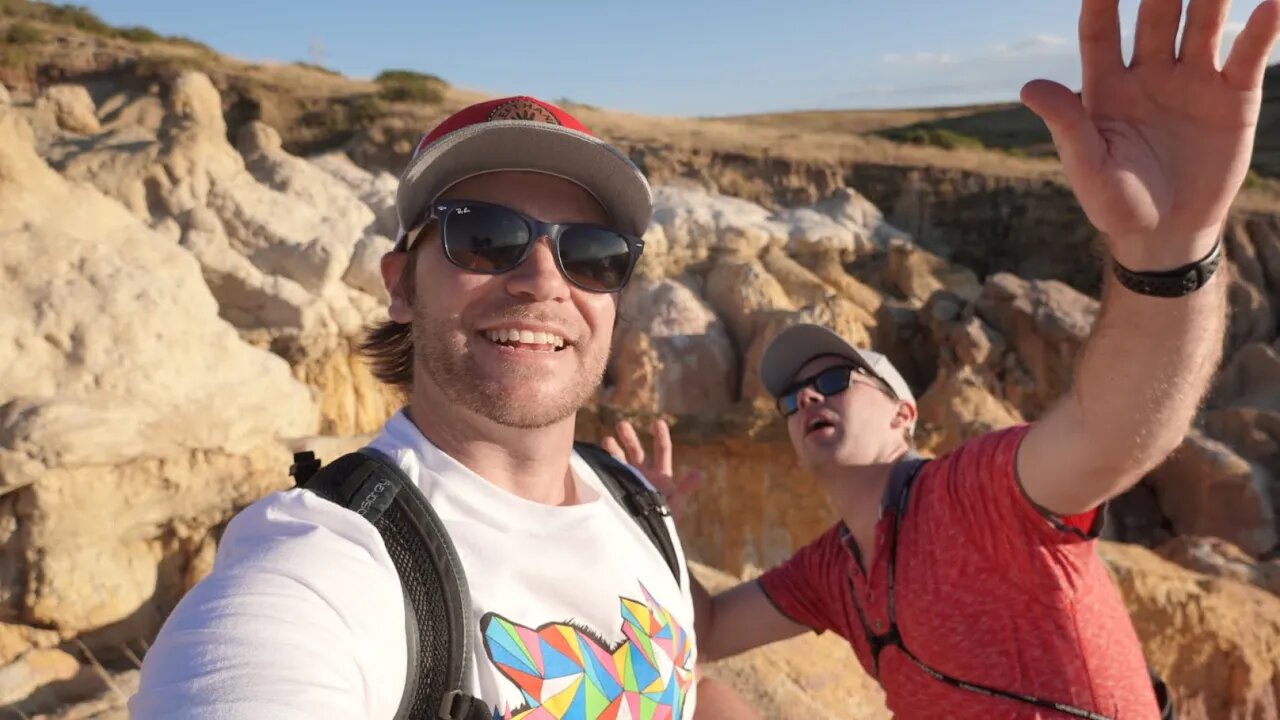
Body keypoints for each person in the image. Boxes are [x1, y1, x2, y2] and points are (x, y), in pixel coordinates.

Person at [604, 0, 1279, 717]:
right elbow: (705, 631)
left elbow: (1114, 431)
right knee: (700, 700)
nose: (806, 400)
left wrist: (1171, 251)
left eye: (832, 379)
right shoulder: (832, 570)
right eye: (791, 397)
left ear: (904, 413)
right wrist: (653, 519)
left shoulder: (975, 493)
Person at [129, 95, 746, 719]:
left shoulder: (637, 506)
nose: (543, 279)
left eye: (590, 254)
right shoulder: (328, 560)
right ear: (399, 285)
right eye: (483, 238)